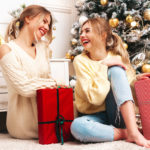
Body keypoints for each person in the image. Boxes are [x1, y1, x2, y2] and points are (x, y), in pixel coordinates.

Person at [71, 17, 150, 148]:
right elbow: (94, 98)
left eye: (87, 31)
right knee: (77, 127)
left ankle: (133, 132)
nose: (82, 35)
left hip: (117, 114)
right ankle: (128, 133)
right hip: (94, 116)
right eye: (81, 32)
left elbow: (126, 88)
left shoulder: (116, 58)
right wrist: (104, 66)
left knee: (116, 71)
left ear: (103, 35)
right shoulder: (80, 60)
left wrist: (136, 79)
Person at [0, 5, 57, 139]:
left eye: (49, 24)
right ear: (28, 19)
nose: (47, 28)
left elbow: (47, 81)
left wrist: (50, 83)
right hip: (22, 125)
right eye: (44, 21)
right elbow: (24, 87)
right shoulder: (7, 49)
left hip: (47, 116)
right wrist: (54, 83)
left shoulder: (44, 48)